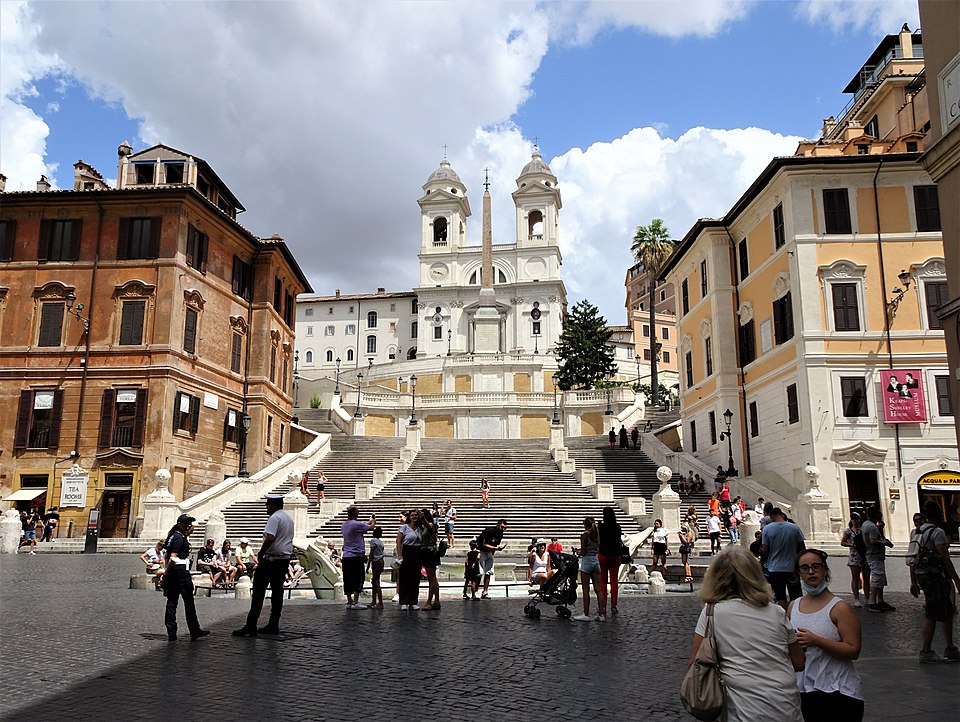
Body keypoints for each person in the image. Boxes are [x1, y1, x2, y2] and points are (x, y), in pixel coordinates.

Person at [687, 546, 805, 721]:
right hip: (785, 703)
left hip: (742, 706)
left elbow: (696, 664)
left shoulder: (712, 612)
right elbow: (799, 662)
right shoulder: (777, 612)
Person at [788, 549, 863, 720]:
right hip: (803, 689)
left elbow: (853, 650)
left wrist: (817, 641)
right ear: (799, 573)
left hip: (838, 690)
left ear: (825, 570)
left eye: (816, 566)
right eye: (805, 568)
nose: (811, 572)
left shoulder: (840, 608)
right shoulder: (793, 606)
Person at [233, 495, 295, 637]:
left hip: (271, 560)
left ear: (273, 505)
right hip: (283, 559)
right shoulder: (288, 519)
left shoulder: (274, 518)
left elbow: (270, 537)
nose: (266, 507)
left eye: (268, 504)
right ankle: (273, 624)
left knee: (258, 592)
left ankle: (251, 625)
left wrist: (261, 552)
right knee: (277, 592)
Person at [909, 503, 960, 663]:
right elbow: (945, 558)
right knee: (931, 613)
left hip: (922, 575)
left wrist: (913, 581)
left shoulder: (916, 532)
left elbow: (912, 557)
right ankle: (926, 651)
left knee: (947, 610)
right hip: (935, 577)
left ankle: (950, 647)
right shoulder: (938, 532)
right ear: (937, 514)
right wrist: (957, 580)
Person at [162, 514, 210, 642]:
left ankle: (172, 633)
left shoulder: (173, 536)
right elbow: (172, 556)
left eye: (189, 523)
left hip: (174, 572)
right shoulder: (178, 538)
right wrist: (166, 573)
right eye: (186, 523)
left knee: (172, 602)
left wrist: (167, 572)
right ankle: (194, 630)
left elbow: (166, 556)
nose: (188, 525)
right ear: (179, 524)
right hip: (181, 572)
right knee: (188, 602)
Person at [763, 507, 806, 608]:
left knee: (780, 597)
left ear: (771, 517)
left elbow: (765, 549)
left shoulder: (767, 529)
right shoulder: (794, 528)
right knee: (795, 596)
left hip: (774, 568)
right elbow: (802, 548)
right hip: (792, 567)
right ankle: (795, 616)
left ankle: (782, 617)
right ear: (782, 515)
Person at [342, 506, 376, 610]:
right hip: (356, 556)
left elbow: (361, 526)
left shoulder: (344, 525)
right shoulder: (356, 524)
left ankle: (349, 601)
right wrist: (373, 521)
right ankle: (356, 601)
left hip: (346, 555)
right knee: (358, 578)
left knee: (347, 579)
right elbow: (371, 527)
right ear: (355, 513)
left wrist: (367, 522)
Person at [860, 506, 895, 612]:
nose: (881, 516)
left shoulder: (865, 524)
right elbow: (873, 541)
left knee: (880, 578)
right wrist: (886, 543)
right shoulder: (872, 527)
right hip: (874, 554)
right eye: (879, 514)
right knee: (877, 577)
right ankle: (873, 602)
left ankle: (880, 600)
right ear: (875, 514)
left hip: (872, 554)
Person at [573, 517, 603, 621]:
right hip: (595, 561)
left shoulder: (584, 535)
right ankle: (601, 615)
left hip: (586, 562)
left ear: (585, 525)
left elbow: (584, 551)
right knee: (598, 590)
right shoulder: (597, 535)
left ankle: (586, 614)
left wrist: (578, 551)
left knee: (586, 589)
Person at [597, 506, 623, 616]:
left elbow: (599, 540)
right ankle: (614, 605)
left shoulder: (601, 527)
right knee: (614, 581)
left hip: (603, 554)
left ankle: (603, 605)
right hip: (615, 555)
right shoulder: (617, 527)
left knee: (602, 581)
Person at [396, 509, 423, 610]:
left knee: (415, 578)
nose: (414, 517)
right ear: (409, 517)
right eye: (412, 515)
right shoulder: (404, 527)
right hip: (407, 552)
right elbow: (398, 541)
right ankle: (404, 601)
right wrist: (400, 555)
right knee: (404, 577)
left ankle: (413, 601)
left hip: (417, 552)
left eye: (416, 515)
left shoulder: (420, 528)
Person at [840, 514, 868, 608]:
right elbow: (843, 542)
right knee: (855, 578)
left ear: (860, 519)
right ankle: (856, 599)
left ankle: (867, 598)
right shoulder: (848, 531)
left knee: (866, 577)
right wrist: (851, 545)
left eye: (856, 519)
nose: (855, 521)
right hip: (854, 555)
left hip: (864, 554)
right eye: (853, 519)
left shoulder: (863, 529)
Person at [477, 519, 507, 599]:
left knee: (488, 572)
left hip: (490, 552)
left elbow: (495, 544)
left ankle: (485, 592)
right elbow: (484, 544)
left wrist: (493, 553)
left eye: (505, 528)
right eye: (502, 527)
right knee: (479, 573)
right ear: (498, 525)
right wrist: (496, 548)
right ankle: (474, 592)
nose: (503, 530)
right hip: (481, 551)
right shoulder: (489, 531)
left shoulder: (500, 534)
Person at [419, 506, 441, 611]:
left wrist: (423, 518)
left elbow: (428, 525)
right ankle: (436, 601)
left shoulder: (430, 525)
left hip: (429, 553)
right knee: (433, 579)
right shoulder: (426, 527)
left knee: (431, 579)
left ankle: (429, 601)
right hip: (429, 552)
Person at [366, 526, 385, 609]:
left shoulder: (373, 541)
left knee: (376, 582)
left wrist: (368, 565)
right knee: (375, 581)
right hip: (381, 561)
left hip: (376, 562)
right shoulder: (381, 542)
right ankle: (374, 601)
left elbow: (372, 553)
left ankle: (380, 602)